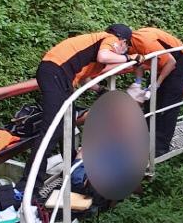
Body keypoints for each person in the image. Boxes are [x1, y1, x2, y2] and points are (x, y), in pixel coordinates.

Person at [14, 25, 140, 197]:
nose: (122, 50)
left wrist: (102, 91)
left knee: (67, 123)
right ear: (123, 41)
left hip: (60, 76)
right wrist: (129, 57)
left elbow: (84, 78)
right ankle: (28, 186)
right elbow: (104, 55)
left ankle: (71, 169)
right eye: (126, 47)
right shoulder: (110, 39)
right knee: (52, 130)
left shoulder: (94, 47)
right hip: (56, 73)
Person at [129, 26, 183, 157]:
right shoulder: (129, 44)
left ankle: (161, 146)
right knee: (150, 100)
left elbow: (171, 62)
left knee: (169, 102)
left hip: (177, 59)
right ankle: (146, 138)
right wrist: (138, 82)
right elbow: (137, 62)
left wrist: (157, 84)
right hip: (160, 60)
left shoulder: (145, 43)